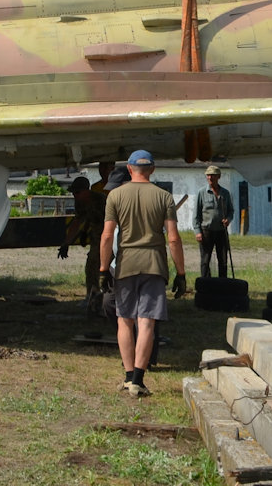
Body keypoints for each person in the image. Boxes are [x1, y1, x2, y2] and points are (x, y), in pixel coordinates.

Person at [99, 150, 190, 398]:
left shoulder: (115, 196)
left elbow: (107, 236)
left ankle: (128, 377)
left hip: (126, 263)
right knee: (146, 321)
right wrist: (181, 273)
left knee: (124, 319)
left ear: (129, 169)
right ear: (152, 169)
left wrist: (103, 268)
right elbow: (173, 238)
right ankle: (139, 379)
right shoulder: (164, 197)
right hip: (154, 264)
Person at [59, 175, 107, 313]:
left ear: (87, 190)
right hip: (96, 237)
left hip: (109, 237)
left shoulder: (101, 200)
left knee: (105, 268)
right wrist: (66, 243)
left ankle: (107, 299)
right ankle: (92, 297)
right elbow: (78, 221)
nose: (75, 195)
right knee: (91, 266)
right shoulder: (80, 202)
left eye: (77, 192)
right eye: (73, 192)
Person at [195, 165, 235, 279]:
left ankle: (222, 285)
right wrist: (197, 231)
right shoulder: (201, 192)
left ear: (218, 177)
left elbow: (231, 211)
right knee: (205, 260)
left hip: (221, 231)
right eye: (208, 175)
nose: (210, 178)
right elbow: (196, 214)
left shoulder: (225, 193)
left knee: (223, 260)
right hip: (206, 231)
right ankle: (205, 284)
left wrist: (228, 219)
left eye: (212, 175)